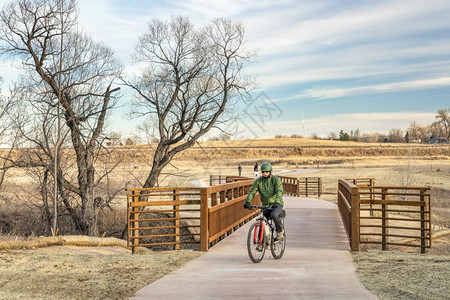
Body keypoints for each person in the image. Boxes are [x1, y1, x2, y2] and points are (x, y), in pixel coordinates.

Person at [243, 162, 285, 244]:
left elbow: (279, 191)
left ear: (270, 172)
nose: (265, 173)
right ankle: (260, 243)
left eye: (266, 172)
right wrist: (247, 201)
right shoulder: (258, 181)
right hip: (265, 205)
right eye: (263, 172)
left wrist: (276, 201)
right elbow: (252, 191)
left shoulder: (276, 180)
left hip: (277, 204)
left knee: (274, 215)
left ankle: (280, 231)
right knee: (262, 221)